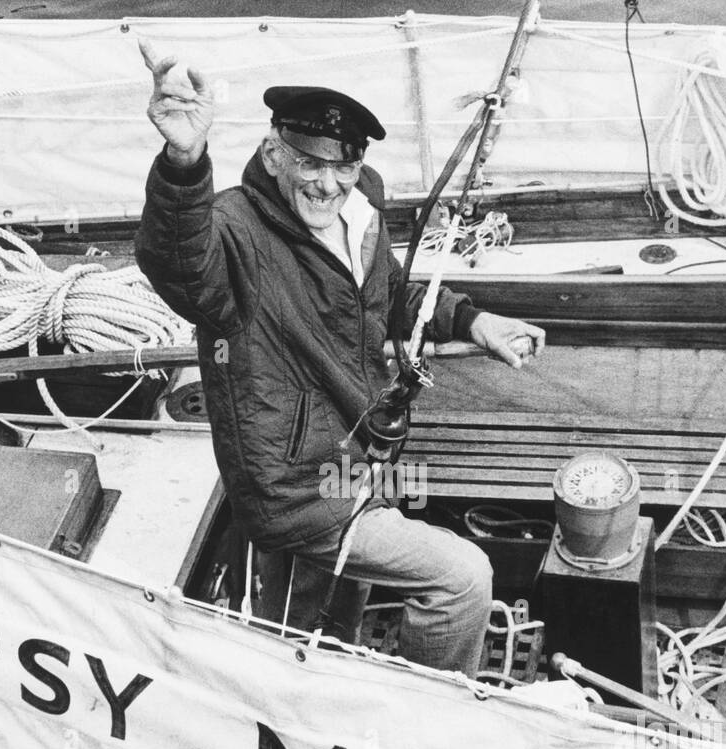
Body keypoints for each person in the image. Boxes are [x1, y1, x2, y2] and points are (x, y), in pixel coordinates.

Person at [134, 45, 546, 678]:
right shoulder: (234, 231)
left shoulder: (361, 211)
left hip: (361, 458)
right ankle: (423, 714)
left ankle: (322, 672)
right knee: (462, 578)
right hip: (295, 489)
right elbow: (178, 262)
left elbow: (388, 295)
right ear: (274, 155)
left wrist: (473, 321)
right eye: (308, 163)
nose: (327, 183)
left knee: (324, 617)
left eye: (344, 166)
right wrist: (184, 161)